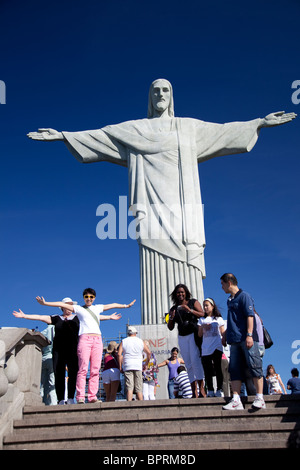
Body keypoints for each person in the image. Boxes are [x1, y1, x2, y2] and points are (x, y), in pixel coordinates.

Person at [27, 79, 297, 325]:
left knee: (186, 253)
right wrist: (64, 135)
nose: (160, 94)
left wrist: (258, 123)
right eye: (155, 90)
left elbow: (223, 132)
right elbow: (101, 136)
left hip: (183, 206)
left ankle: (188, 323)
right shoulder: (135, 130)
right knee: (153, 254)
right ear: (149, 97)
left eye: (165, 90)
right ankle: (157, 322)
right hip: (150, 207)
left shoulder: (188, 127)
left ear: (172, 96)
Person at [35, 289, 135, 403]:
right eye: (86, 296)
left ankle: (92, 396)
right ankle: (80, 396)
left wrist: (125, 306)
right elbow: (60, 304)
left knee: (95, 370)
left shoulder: (97, 308)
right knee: (82, 369)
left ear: (94, 298)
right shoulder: (79, 309)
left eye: (91, 297)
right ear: (83, 297)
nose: (89, 298)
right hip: (84, 339)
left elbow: (112, 305)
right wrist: (45, 303)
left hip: (97, 339)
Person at [13, 297, 79, 405]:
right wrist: (25, 316)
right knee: (58, 373)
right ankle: (61, 399)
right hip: (59, 350)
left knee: (73, 373)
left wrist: (109, 317)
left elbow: (93, 316)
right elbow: (40, 317)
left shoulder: (78, 317)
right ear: (62, 307)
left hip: (73, 349)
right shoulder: (56, 318)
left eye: (71, 305)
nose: (69, 307)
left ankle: (71, 397)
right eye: (67, 305)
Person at [220, 273, 266, 410]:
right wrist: (225, 335)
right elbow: (232, 319)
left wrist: (249, 335)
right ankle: (236, 399)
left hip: (246, 338)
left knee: (254, 366)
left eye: (222, 284)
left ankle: (260, 397)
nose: (221, 287)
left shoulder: (244, 296)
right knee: (234, 370)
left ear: (229, 282)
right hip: (234, 340)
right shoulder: (229, 300)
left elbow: (250, 316)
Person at [167, 284, 205, 398]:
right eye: (178, 292)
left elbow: (202, 314)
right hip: (182, 336)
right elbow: (170, 327)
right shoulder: (173, 308)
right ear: (175, 294)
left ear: (186, 292)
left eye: (182, 292)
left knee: (195, 361)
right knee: (188, 363)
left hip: (193, 334)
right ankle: (193, 391)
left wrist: (190, 310)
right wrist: (172, 318)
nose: (180, 294)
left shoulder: (193, 302)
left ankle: (201, 389)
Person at [197, 298, 225, 397]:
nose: (205, 307)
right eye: (204, 305)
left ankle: (219, 389)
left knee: (218, 368)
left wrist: (224, 340)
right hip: (205, 348)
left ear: (212, 306)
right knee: (207, 369)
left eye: (207, 305)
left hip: (216, 346)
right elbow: (199, 335)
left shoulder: (218, 319)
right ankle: (210, 389)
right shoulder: (201, 320)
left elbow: (222, 331)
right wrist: (203, 327)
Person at [118, 326, 151, 401]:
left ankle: (129, 405)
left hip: (127, 365)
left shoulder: (124, 341)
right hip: (138, 365)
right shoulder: (140, 341)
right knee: (139, 387)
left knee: (129, 387)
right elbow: (149, 353)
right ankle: (142, 406)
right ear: (135, 333)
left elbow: (119, 354)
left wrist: (120, 366)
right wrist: (146, 364)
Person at [40, 324, 57, 405]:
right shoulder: (55, 329)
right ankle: (53, 403)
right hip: (52, 358)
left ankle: (43, 401)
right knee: (52, 382)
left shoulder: (44, 331)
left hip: (43, 358)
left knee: (43, 383)